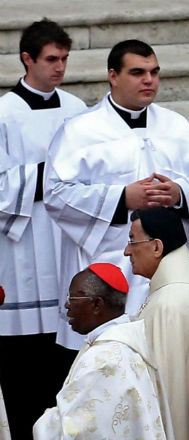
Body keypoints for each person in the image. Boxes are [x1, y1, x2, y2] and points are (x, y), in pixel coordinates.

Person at [44, 39, 189, 350]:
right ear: (113, 76)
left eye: (154, 72)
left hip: (164, 266)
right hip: (109, 263)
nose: (149, 80)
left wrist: (179, 192)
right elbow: (56, 194)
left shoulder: (176, 125)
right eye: (137, 72)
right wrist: (122, 198)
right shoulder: (80, 130)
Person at [0, 19, 87, 439]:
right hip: (23, 252)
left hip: (67, 244)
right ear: (27, 59)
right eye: (51, 60)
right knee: (24, 367)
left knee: (65, 362)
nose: (59, 68)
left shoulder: (77, 111)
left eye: (65, 59)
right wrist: (52, 176)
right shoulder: (4, 114)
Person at [33, 264, 171, 439]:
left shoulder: (103, 360)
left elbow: (72, 429)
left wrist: (44, 423)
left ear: (97, 304)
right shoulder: (126, 343)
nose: (67, 305)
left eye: (73, 298)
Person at [127, 207, 189, 440]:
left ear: (157, 247)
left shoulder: (168, 304)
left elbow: (163, 389)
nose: (126, 251)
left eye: (132, 241)